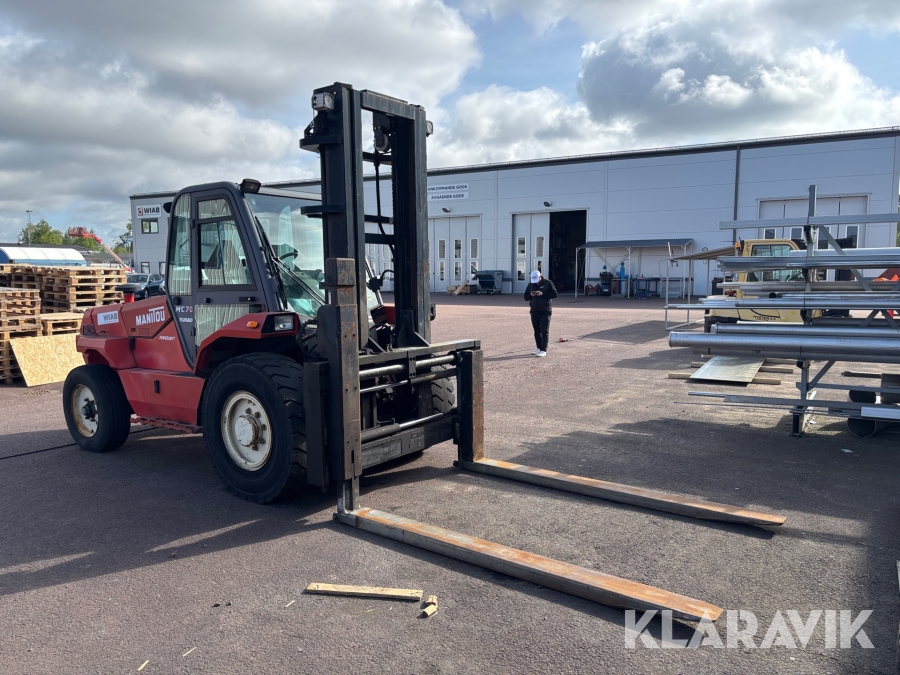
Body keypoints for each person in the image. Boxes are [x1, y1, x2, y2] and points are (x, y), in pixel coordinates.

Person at [524, 269, 558, 357]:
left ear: (541, 277)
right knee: (536, 330)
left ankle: (543, 350)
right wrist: (530, 295)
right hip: (534, 310)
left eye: (537, 280)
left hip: (545, 311)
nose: (536, 282)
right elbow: (525, 297)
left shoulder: (548, 283)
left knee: (544, 330)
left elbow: (555, 294)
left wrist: (542, 294)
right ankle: (538, 347)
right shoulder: (530, 285)